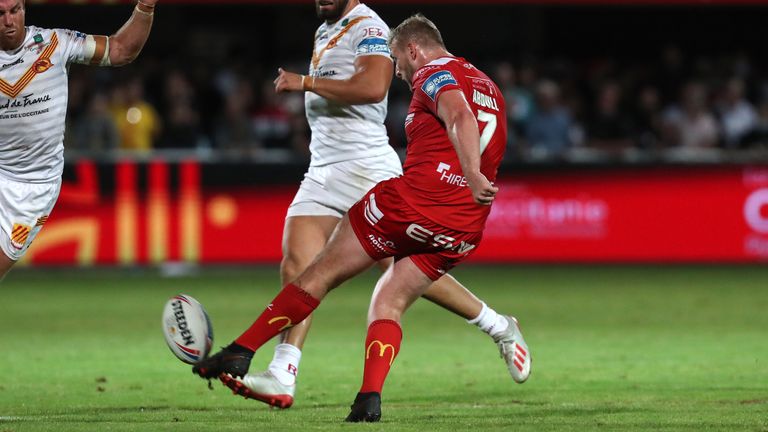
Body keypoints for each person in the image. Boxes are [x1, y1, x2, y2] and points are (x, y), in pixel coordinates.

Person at [193, 13, 530, 422]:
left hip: (413, 201)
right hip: (464, 223)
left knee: (322, 272)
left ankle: (241, 350)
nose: (399, 73)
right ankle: (367, 400)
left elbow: (458, 115)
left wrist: (471, 173)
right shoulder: (487, 84)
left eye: (399, 62)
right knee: (388, 295)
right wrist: (470, 180)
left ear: (413, 50)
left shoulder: (432, 71)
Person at [0, 0, 158, 279]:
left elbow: (121, 50)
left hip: (33, 187)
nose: (8, 21)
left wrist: (145, 6)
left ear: (24, 8)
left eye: (15, 11)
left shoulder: (56, 44)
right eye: (0, 14)